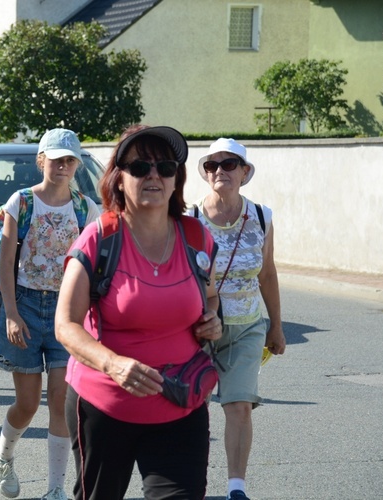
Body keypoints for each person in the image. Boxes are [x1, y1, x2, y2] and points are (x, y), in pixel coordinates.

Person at [54, 125, 223, 499]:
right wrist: (113, 363)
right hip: (105, 407)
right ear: (118, 177)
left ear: (176, 179)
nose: (154, 176)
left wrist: (213, 320)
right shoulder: (100, 238)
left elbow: (209, 298)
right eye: (140, 167)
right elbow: (65, 325)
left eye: (165, 167)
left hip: (181, 405)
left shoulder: (196, 237)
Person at [0, 129, 100, 500]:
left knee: (60, 400)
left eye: (69, 161)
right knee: (28, 403)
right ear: (42, 161)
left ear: (77, 165)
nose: (63, 167)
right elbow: (6, 262)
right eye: (56, 160)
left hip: (66, 310)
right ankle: (2, 452)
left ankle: (55, 489)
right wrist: (11, 313)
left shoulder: (85, 208)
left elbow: (93, 266)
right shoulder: (21, 201)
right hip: (25, 305)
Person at [189, 138, 286, 500]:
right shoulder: (189, 217)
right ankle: (190, 481)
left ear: (244, 172)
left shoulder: (261, 216)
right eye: (212, 165)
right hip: (197, 328)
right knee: (193, 407)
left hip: (247, 326)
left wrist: (275, 325)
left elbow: (268, 274)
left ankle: (236, 488)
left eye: (228, 164)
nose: (219, 171)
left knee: (240, 404)